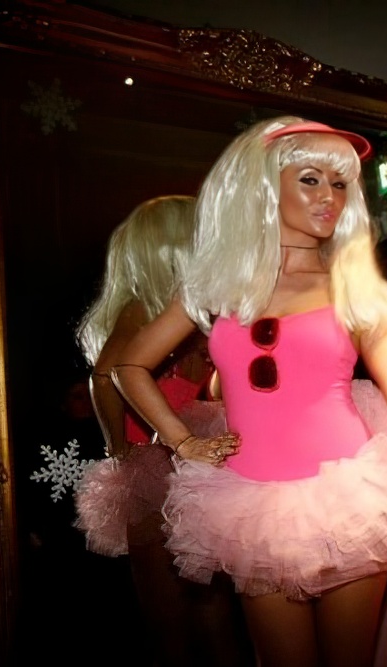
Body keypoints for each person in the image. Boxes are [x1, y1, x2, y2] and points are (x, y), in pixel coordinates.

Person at [109, 117, 387, 667]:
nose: (330, 197)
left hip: (347, 498)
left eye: (341, 184)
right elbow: (129, 365)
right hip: (251, 503)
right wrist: (183, 442)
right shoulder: (217, 285)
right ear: (266, 186)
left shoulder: (353, 288)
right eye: (311, 179)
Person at [73, 195, 254, 667]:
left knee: (184, 611)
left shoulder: (174, 312)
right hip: (173, 461)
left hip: (173, 460)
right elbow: (108, 375)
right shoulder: (152, 310)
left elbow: (105, 376)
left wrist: (119, 447)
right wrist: (121, 450)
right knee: (199, 609)